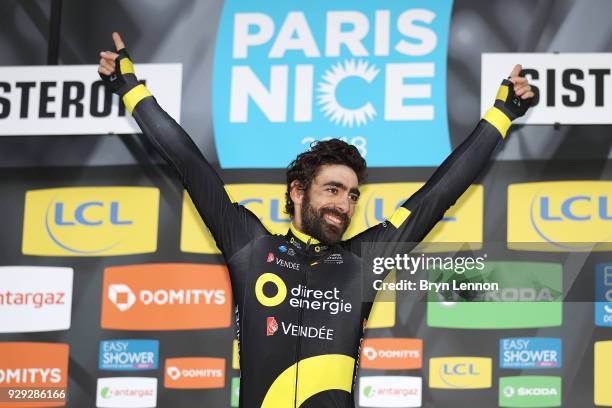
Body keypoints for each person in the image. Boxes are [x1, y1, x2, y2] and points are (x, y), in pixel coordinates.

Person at [98, 32, 533, 408]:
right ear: (297, 191)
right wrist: (130, 88)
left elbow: (436, 195)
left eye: (352, 195)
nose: (344, 205)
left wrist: (501, 114)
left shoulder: (363, 260)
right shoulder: (251, 246)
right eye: (332, 189)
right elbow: (188, 162)